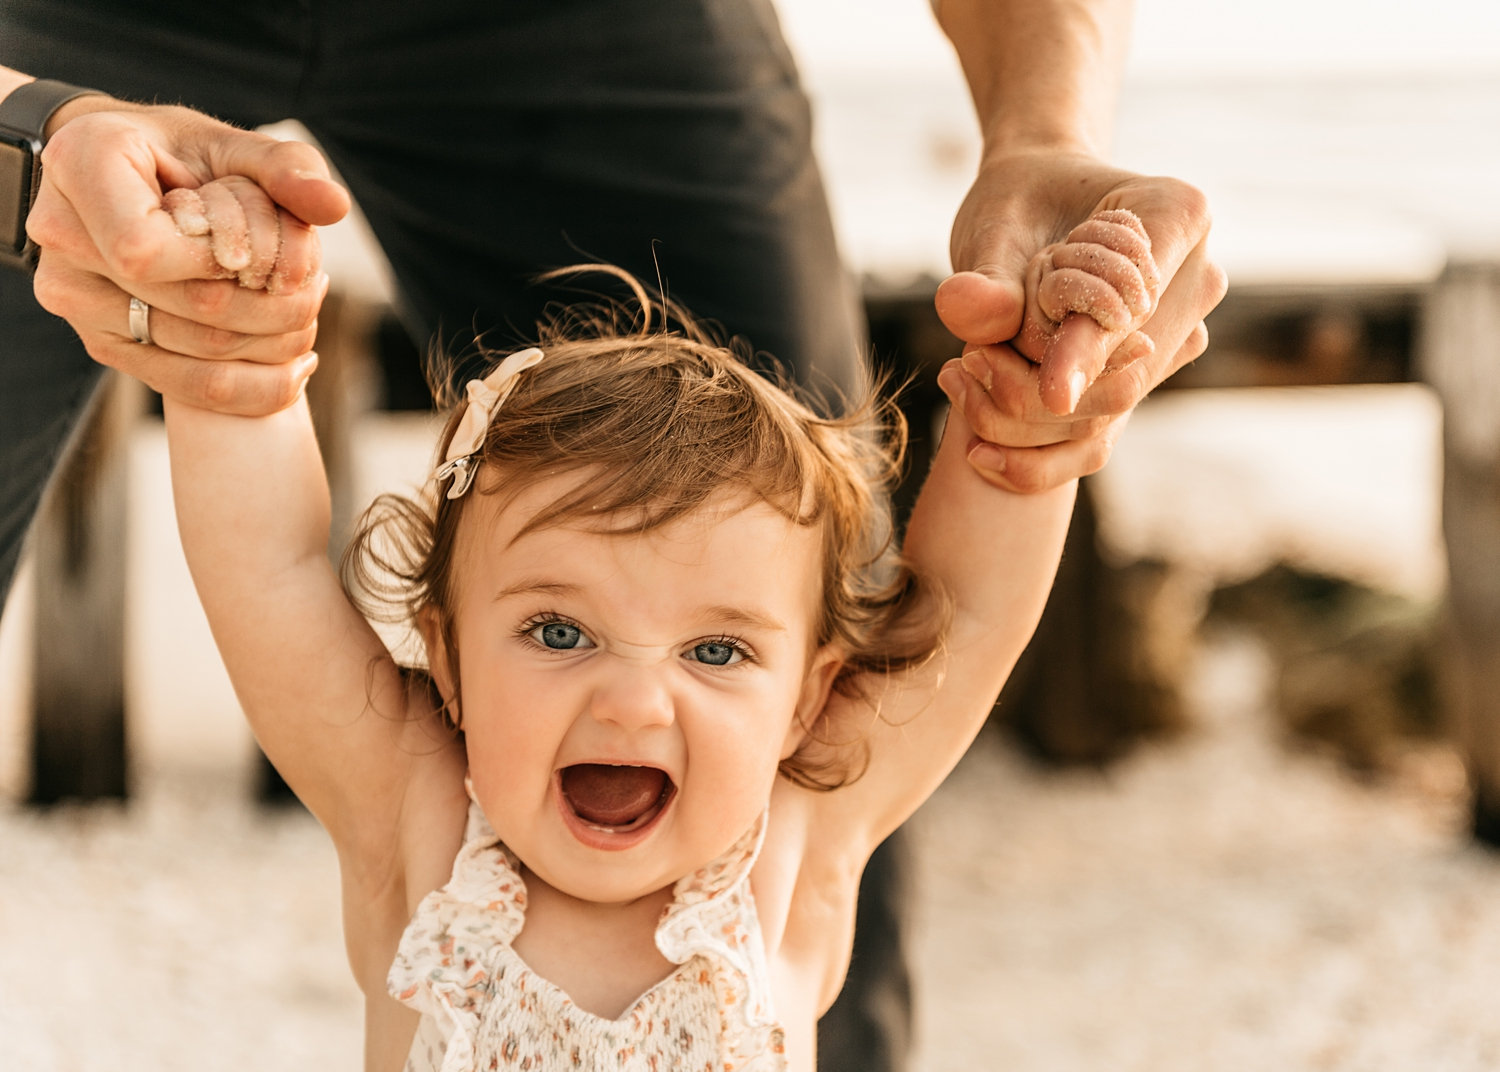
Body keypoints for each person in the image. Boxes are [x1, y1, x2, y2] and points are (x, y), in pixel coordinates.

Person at [0, 2, 1223, 1067]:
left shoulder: (793, 861)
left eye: (720, 652)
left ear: (815, 696)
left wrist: (1027, 420)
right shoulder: (414, 829)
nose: (635, 705)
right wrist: (239, 373)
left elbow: (963, 602)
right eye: (556, 628)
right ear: (446, 653)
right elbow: (271, 571)